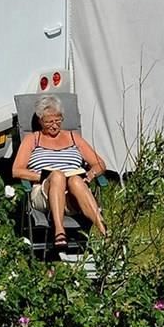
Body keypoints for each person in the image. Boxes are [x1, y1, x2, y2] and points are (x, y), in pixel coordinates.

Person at [12, 95, 108, 250]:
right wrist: (44, 176)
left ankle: (105, 231)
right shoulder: (32, 139)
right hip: (44, 192)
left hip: (73, 195)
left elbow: (99, 163)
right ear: (40, 120)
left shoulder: (73, 137)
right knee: (57, 175)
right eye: (49, 121)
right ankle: (59, 230)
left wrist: (90, 176)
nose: (55, 126)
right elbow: (17, 170)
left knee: (76, 180)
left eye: (58, 120)